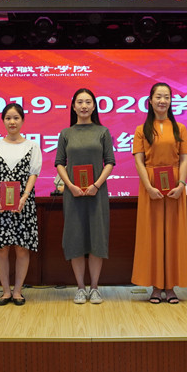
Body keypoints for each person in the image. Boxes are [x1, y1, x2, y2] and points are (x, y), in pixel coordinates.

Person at [131, 83, 187, 304]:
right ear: (150, 100)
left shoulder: (180, 128)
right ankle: (156, 287)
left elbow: (184, 158)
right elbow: (139, 160)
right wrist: (148, 187)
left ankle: (171, 287)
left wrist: (182, 184)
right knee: (153, 235)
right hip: (151, 185)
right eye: (158, 97)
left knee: (174, 234)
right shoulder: (141, 129)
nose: (162, 101)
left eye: (166, 97)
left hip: (175, 185)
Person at [54, 88, 116, 304]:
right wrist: (70, 185)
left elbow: (110, 162)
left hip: (97, 194)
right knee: (76, 239)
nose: (84, 106)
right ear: (73, 106)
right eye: (79, 102)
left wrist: (96, 185)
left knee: (97, 239)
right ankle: (80, 288)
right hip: (73, 195)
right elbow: (59, 163)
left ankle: (94, 288)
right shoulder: (66, 133)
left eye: (88, 102)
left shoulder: (103, 132)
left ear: (94, 106)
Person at [0, 103, 42, 306]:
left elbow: (33, 174)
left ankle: (18, 291)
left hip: (24, 204)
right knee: (1, 248)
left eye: (16, 118)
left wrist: (25, 196)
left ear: (23, 120)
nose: (12, 122)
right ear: (3, 121)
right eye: (8, 118)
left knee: (21, 248)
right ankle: (5, 291)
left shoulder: (32, 146)